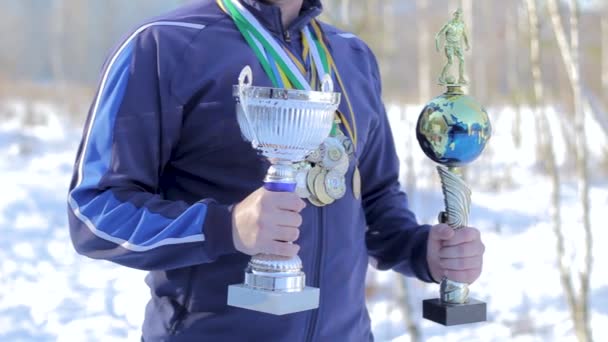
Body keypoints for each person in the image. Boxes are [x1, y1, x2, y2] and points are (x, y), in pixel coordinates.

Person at [67, 0, 485, 340]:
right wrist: (225, 226)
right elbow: (96, 210)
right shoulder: (162, 46)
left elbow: (374, 196)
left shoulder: (351, 56)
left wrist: (419, 249)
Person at [436, 8, 470, 85]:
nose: (458, 16)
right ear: (454, 15)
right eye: (457, 14)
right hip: (449, 45)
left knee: (462, 59)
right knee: (450, 61)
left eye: (460, 14)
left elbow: (464, 35)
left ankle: (461, 78)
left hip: (457, 45)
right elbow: (438, 35)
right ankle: (441, 77)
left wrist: (467, 44)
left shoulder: (462, 24)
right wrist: (437, 46)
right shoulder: (449, 24)